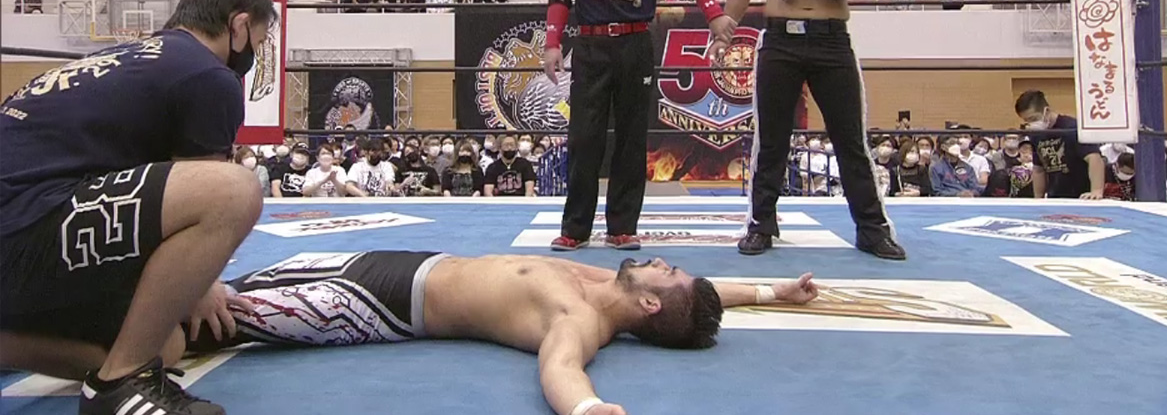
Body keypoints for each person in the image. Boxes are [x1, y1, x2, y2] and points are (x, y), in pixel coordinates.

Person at [0, 0, 276, 415]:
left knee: (162, 343)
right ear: (239, 26)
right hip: (22, 226)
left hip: (25, 224)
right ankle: (121, 382)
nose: (252, 55)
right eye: (257, 42)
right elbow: (205, 183)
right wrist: (202, 284)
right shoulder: (208, 75)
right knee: (233, 191)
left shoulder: (119, 58)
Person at [176, 251, 821, 415]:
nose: (660, 260)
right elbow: (701, 292)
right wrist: (774, 292)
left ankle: (126, 358)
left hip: (380, 305)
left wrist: (588, 409)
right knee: (212, 284)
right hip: (389, 262)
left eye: (667, 270)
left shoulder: (580, 319)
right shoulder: (597, 283)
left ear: (650, 303)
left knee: (208, 320)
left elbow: (559, 369)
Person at [542, 0, 736, 251]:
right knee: (584, 138)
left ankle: (622, 227)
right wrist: (551, 43)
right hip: (592, 48)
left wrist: (715, 15)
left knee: (632, 139)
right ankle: (575, 228)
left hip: (635, 46)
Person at [721, 0, 903, 259]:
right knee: (771, 140)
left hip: (831, 41)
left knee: (850, 140)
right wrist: (724, 29)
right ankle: (760, 225)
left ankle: (872, 229)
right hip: (780, 40)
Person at [1015, 90, 1105, 199]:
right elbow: (1038, 169)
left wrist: (1096, 191)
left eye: (1033, 119)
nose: (1031, 124)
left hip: (1082, 196)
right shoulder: (1037, 134)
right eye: (1026, 121)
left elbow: (1094, 157)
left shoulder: (1072, 128)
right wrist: (1038, 199)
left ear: (1046, 111)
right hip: (1056, 197)